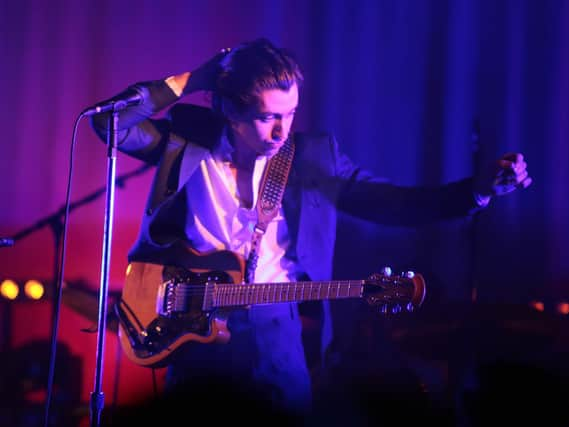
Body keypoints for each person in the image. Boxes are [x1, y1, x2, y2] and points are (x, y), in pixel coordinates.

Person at [89, 38, 532, 420]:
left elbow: (395, 203)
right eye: (267, 118)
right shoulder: (186, 140)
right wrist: (194, 79)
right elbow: (107, 121)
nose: (283, 130)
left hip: (274, 331)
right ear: (229, 110)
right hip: (191, 328)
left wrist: (477, 190)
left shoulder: (314, 155)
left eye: (292, 113)